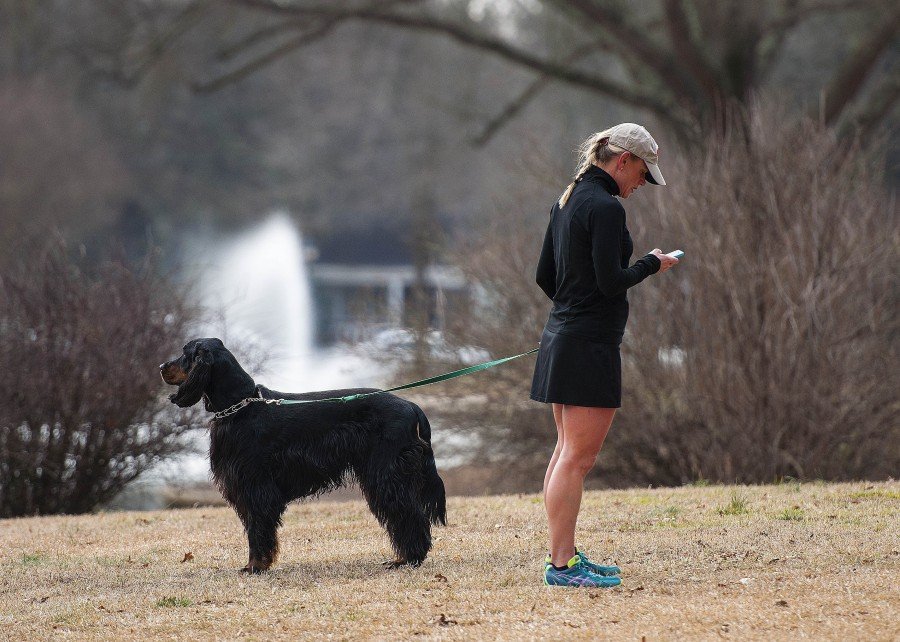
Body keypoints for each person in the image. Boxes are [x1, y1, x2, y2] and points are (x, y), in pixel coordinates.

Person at [531, 123, 678, 588]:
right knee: (578, 458)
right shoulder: (605, 208)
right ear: (623, 161)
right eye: (642, 174)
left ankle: (566, 556)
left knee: (565, 453)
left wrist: (571, 306)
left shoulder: (568, 199)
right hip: (589, 344)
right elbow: (611, 281)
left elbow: (544, 276)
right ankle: (561, 566)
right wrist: (653, 263)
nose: (642, 185)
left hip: (564, 335)